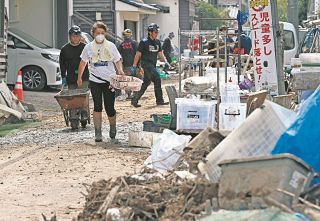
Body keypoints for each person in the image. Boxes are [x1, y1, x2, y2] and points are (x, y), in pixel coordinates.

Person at [77, 21, 125, 142]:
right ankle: (98, 132)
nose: (100, 35)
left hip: (109, 81)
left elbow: (117, 60)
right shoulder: (88, 47)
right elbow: (83, 63)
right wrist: (80, 77)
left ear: (105, 34)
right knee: (97, 106)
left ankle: (113, 128)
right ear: (93, 34)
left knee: (110, 107)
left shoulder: (111, 46)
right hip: (94, 81)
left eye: (102, 33)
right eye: (98, 33)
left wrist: (120, 71)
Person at [130, 23, 169, 108]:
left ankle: (134, 99)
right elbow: (138, 55)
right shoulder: (144, 42)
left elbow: (160, 54)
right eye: (155, 32)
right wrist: (134, 66)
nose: (156, 33)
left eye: (157, 32)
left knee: (146, 83)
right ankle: (159, 101)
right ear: (150, 32)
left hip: (153, 65)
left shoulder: (158, 42)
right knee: (157, 79)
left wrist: (166, 62)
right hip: (146, 64)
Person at [59, 25, 90, 129]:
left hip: (84, 77)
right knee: (72, 98)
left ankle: (84, 113)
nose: (75, 38)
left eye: (77, 36)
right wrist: (63, 77)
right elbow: (62, 64)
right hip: (71, 78)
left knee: (83, 96)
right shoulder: (64, 49)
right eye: (73, 36)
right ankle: (73, 117)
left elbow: (90, 61)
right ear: (70, 37)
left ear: (80, 36)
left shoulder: (85, 47)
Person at [117, 29, 138, 98]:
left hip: (126, 65)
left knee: (127, 79)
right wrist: (139, 65)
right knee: (134, 79)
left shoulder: (121, 44)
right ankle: (135, 93)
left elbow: (118, 55)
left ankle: (128, 94)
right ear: (131, 35)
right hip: (134, 65)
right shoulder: (134, 43)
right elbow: (138, 54)